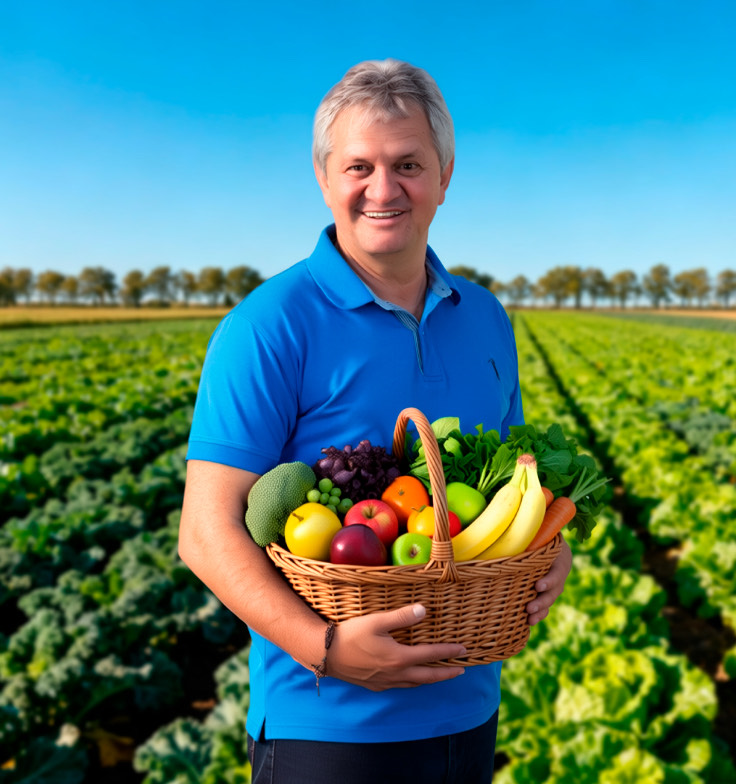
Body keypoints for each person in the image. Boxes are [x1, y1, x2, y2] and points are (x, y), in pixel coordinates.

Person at [177, 58, 573, 784]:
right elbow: (204, 534)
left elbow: (523, 483)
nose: (384, 189)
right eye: (359, 166)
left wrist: (552, 553)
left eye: (409, 164)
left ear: (445, 178)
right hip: (327, 728)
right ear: (325, 179)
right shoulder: (267, 325)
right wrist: (326, 647)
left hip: (469, 709)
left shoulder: (485, 318)